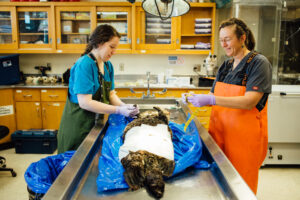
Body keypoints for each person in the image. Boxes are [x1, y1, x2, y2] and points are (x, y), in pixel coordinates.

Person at [182, 18, 272, 194]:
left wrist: (211, 100)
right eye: (221, 40)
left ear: (242, 38)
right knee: (219, 184)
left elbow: (250, 101)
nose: (223, 44)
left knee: (241, 187)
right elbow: (213, 96)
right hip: (220, 135)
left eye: (228, 39)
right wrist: (196, 98)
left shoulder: (258, 63)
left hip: (243, 140)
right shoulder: (226, 65)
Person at [58, 24, 139, 154]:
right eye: (111, 47)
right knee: (73, 166)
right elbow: (85, 102)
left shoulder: (108, 66)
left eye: (115, 48)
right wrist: (118, 110)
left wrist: (126, 107)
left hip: (96, 126)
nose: (114, 52)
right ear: (100, 43)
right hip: (78, 127)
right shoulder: (84, 64)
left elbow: (111, 94)